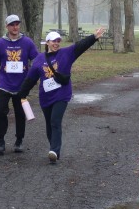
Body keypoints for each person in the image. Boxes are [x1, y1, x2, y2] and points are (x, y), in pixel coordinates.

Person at [19, 27, 106, 164]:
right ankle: (54, 151)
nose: (56, 43)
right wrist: (22, 94)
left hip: (62, 95)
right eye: (53, 41)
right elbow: (30, 79)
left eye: (58, 41)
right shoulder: (39, 59)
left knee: (55, 121)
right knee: (49, 124)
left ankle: (54, 150)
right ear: (47, 42)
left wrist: (94, 37)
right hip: (45, 97)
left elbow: (80, 46)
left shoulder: (66, 53)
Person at [0, 14, 40, 155]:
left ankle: (19, 140)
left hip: (21, 85)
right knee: (0, 112)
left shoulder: (27, 42)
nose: (15, 27)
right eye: (12, 25)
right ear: (7, 26)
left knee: (20, 113)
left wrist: (31, 76)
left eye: (17, 24)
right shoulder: (0, 43)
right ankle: (1, 140)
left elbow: (36, 60)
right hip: (4, 84)